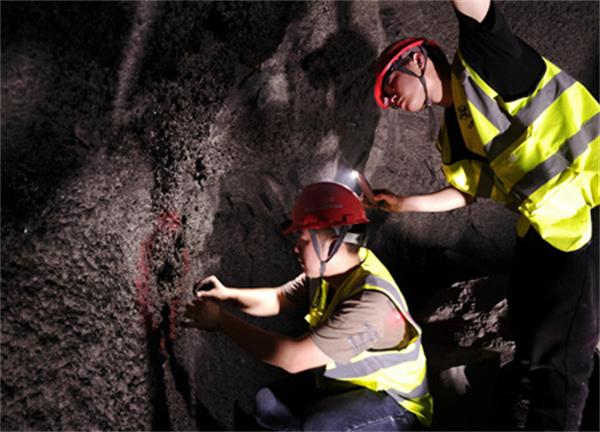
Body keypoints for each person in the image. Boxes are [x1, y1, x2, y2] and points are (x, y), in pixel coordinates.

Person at [372, 0, 599, 430]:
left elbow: (475, 8)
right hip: (545, 224)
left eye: (390, 82)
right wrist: (402, 204)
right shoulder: (452, 139)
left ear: (418, 60)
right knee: (529, 338)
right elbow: (465, 194)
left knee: (562, 358)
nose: (388, 99)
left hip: (591, 204)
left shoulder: (485, 62)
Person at [184, 181, 433, 431]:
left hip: (398, 406)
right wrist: (227, 295)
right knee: (268, 404)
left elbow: (293, 358)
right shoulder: (332, 272)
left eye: (303, 239)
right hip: (346, 386)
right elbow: (278, 299)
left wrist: (222, 322)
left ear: (332, 243)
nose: (295, 248)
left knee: (321, 426)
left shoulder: (370, 304)